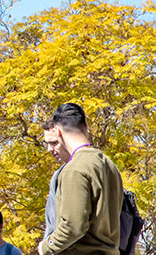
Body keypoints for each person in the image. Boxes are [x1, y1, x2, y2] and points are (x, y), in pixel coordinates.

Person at [37, 103, 122, 255]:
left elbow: (73, 227)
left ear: (57, 131)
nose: (50, 148)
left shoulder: (74, 169)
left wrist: (46, 246)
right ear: (86, 126)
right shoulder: (109, 165)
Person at [41, 120, 67, 239]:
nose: (49, 149)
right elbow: (51, 226)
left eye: (54, 143)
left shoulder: (96, 167)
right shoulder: (57, 176)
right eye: (46, 143)